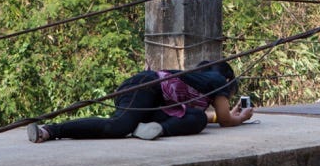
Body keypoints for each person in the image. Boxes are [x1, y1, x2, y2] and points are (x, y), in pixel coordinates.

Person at [27, 60, 254, 142]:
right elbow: (225, 120)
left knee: (197, 118)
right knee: (118, 126)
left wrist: (222, 116)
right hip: (147, 86)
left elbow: (211, 117)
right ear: (227, 80)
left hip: (157, 102)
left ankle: (153, 129)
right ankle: (49, 130)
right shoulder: (217, 80)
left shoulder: (198, 83)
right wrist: (241, 117)